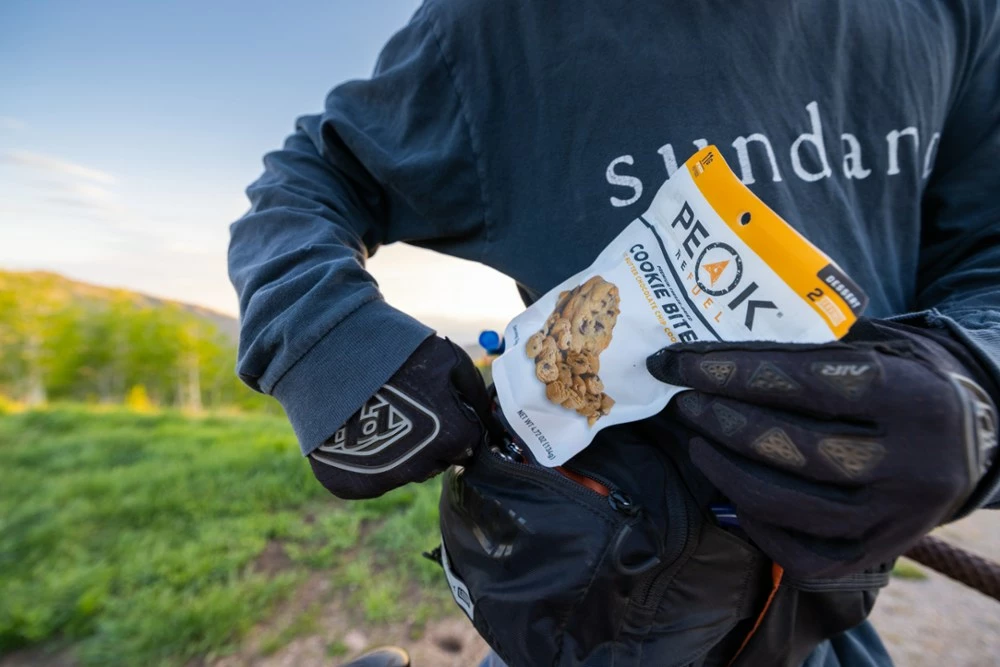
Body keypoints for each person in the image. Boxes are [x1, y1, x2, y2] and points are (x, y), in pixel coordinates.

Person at [228, 1, 1000, 665]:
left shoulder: (959, 13)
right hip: (584, 610)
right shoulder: (499, 26)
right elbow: (308, 178)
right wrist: (328, 339)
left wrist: (977, 386)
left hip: (822, 615)